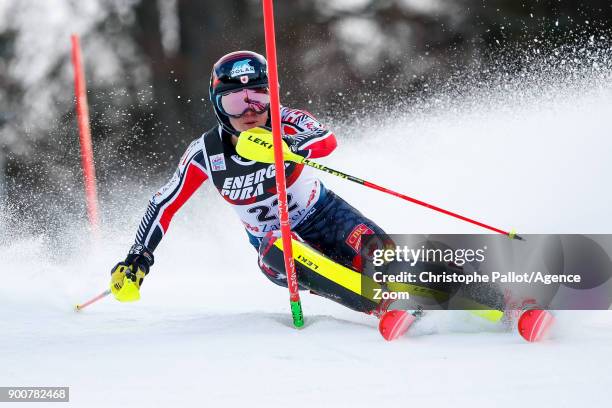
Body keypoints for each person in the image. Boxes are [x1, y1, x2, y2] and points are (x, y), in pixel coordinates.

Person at [109, 50, 393, 318]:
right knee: (279, 244)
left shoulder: (286, 121)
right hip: (275, 250)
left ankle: (423, 300)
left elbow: (325, 139)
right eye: (235, 102)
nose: (250, 111)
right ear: (218, 106)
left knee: (391, 261)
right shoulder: (205, 153)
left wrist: (286, 145)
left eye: (259, 96)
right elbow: (163, 204)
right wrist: (139, 257)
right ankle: (379, 304)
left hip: (324, 217)